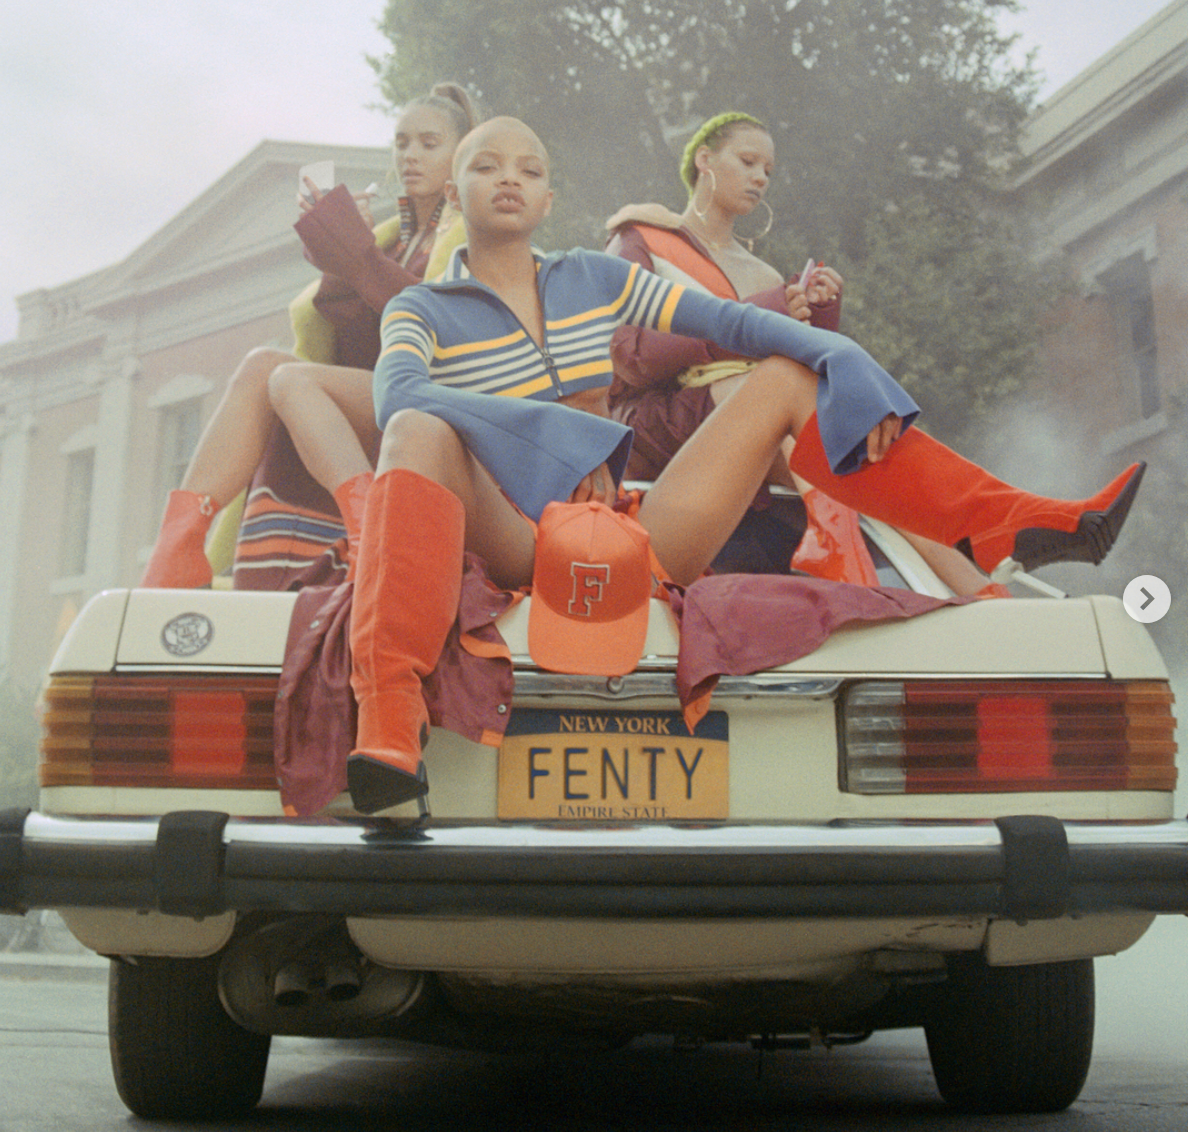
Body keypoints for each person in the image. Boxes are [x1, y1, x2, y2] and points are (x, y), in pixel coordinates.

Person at [343, 116, 1144, 815]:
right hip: (513, 536)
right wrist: (560, 443)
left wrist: (843, 355)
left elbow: (734, 324)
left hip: (625, 536)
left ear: (550, 198)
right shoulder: (421, 308)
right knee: (416, 427)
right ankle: (389, 727)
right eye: (486, 165)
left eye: (530, 168)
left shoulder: (594, 277)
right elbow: (397, 395)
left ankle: (1014, 524)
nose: (509, 178)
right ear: (455, 192)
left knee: (789, 373)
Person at [605, 111, 988, 591]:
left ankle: (985, 592)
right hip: (657, 422)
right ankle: (843, 551)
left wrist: (819, 314)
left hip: (754, 416)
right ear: (704, 159)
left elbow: (794, 373)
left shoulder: (763, 272)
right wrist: (757, 313)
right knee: (787, 402)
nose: (760, 178)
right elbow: (627, 354)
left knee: (869, 454)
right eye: (747, 161)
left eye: (767, 170)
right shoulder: (640, 238)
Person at [139, 83, 479, 590]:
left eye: (429, 144)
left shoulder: (472, 231)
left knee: (290, 379)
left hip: (431, 407)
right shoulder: (395, 238)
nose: (410, 155)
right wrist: (337, 252)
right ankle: (178, 547)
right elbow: (350, 342)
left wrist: (358, 253)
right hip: (370, 399)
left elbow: (432, 323)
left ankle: (370, 526)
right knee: (262, 365)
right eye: (401, 142)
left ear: (463, 154)